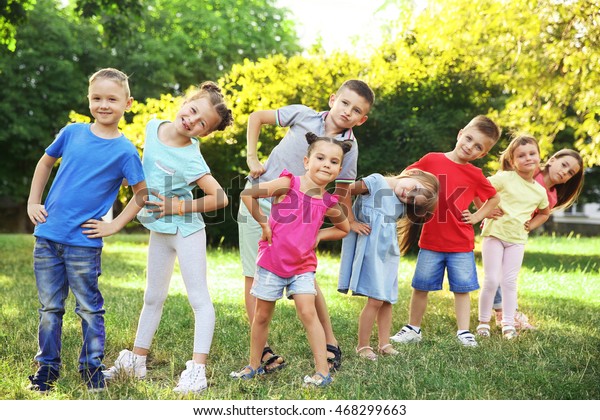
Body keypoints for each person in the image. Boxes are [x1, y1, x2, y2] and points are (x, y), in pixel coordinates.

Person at [100, 82, 233, 394]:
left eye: (202, 124)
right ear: (186, 102)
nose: (192, 121)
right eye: (193, 111)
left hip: (187, 231)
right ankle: (137, 361)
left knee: (198, 299)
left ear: (205, 133)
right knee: (152, 297)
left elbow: (221, 198)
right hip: (159, 230)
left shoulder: (192, 158)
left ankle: (197, 371)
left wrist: (179, 205)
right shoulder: (152, 126)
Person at [238, 80, 374, 371]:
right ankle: (261, 354)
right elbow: (257, 117)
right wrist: (252, 157)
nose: (347, 112)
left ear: (362, 120)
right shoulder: (302, 115)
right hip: (261, 200)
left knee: (306, 280)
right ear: (332, 99)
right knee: (255, 277)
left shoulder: (349, 148)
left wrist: (328, 228)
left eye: (356, 110)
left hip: (299, 218)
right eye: (345, 103)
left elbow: (341, 191)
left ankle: (330, 341)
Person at [26, 68, 147, 392]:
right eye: (97, 98)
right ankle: (46, 370)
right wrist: (32, 202)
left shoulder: (125, 151)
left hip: (84, 244)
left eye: (112, 98)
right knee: (50, 308)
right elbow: (45, 163)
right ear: (88, 99)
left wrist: (114, 225)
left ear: (127, 103)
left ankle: (92, 369)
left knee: (89, 308)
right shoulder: (72, 132)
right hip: (49, 237)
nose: (103, 104)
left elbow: (142, 194)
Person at [231, 133, 351, 387]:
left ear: (339, 169)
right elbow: (248, 195)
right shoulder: (288, 183)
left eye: (333, 161)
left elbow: (344, 228)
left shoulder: (329, 202)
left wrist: (319, 234)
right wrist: (263, 224)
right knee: (262, 316)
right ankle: (254, 365)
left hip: (303, 267)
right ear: (307, 161)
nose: (326, 164)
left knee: (309, 313)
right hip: (272, 262)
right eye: (320, 158)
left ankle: (322, 372)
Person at [390, 115, 502, 347]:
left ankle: (463, 332)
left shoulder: (475, 175)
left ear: (482, 154)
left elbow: (494, 197)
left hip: (461, 244)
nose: (470, 146)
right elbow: (406, 176)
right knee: (420, 287)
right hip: (430, 241)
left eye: (478, 147)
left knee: (462, 289)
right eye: (469, 139)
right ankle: (413, 328)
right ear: (460, 133)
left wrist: (477, 216)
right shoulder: (432, 160)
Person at [338, 170, 439, 360]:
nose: (407, 195)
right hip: (370, 249)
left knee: (386, 300)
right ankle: (363, 346)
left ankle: (384, 344)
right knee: (375, 299)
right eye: (414, 188)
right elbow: (343, 191)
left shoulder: (401, 202)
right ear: (414, 173)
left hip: (387, 253)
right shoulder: (376, 182)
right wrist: (350, 221)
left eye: (412, 200)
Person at [486, 148, 583, 331]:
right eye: (564, 165)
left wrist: (529, 226)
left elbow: (542, 214)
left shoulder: (551, 196)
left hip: (515, 235)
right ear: (552, 159)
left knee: (508, 275)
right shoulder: (531, 170)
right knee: (496, 271)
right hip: (497, 226)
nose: (564, 172)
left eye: (570, 173)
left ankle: (504, 311)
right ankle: (503, 311)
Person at [476, 135, 551, 339]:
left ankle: (508, 324)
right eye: (521, 155)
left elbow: (545, 212)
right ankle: (483, 322)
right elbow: (478, 187)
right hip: (495, 235)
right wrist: (484, 211)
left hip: (516, 241)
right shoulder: (504, 178)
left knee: (509, 282)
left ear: (539, 156)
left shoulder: (539, 191)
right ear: (512, 160)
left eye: (532, 153)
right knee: (491, 280)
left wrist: (531, 224)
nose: (528, 158)